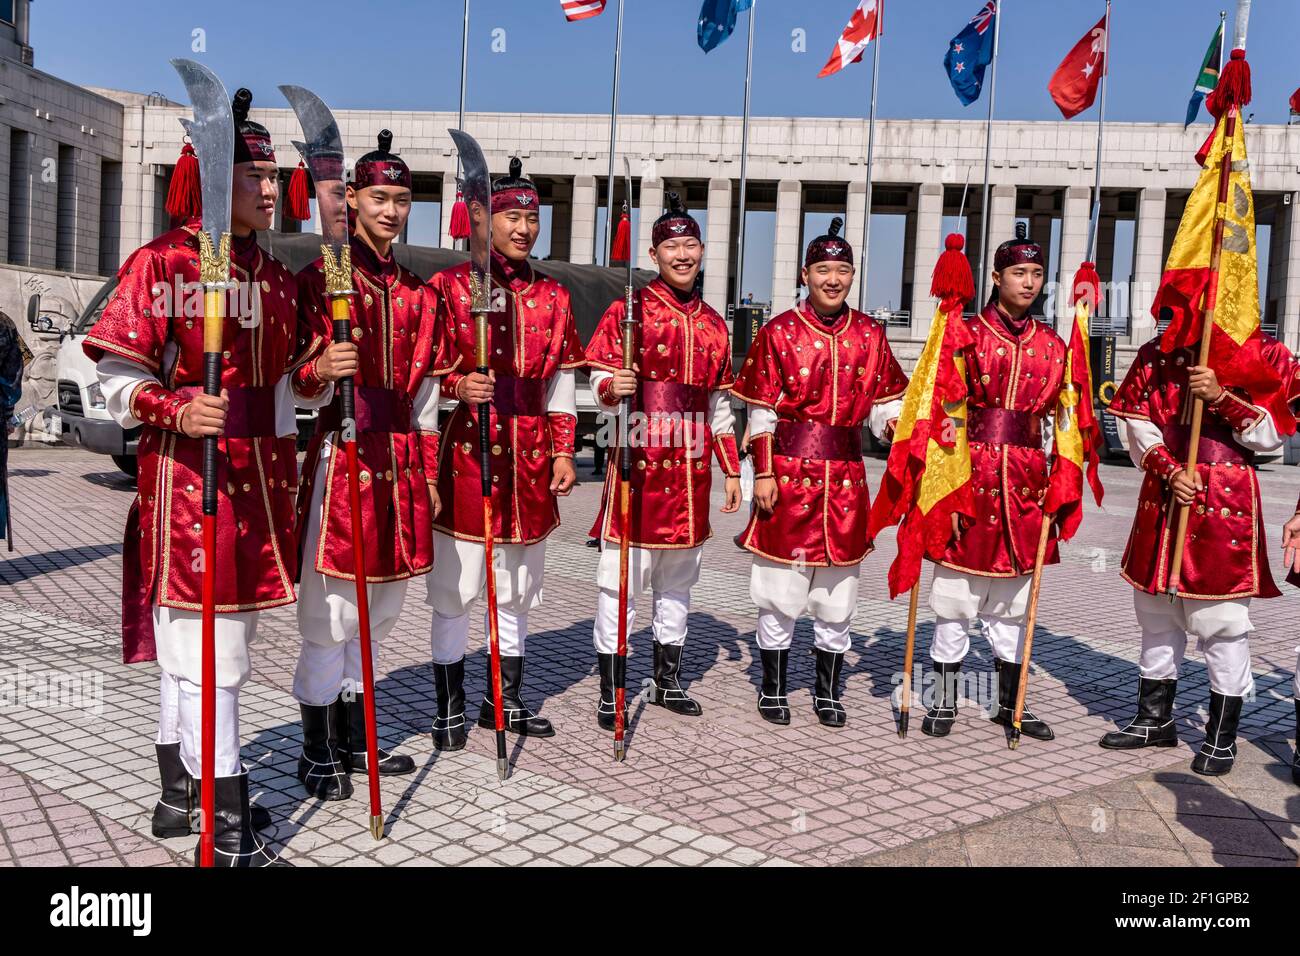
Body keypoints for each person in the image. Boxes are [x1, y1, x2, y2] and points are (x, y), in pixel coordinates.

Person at [82, 89, 298, 866]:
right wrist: (172, 407)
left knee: (209, 649)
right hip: (185, 480)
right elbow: (110, 373)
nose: (271, 190)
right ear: (211, 181)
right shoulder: (163, 262)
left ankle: (180, 795)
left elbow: (279, 392)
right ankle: (228, 818)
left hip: (260, 484)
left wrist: (310, 383)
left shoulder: (272, 275)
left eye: (275, 176)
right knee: (209, 652)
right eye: (255, 175)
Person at [290, 131, 452, 800]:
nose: (391, 210)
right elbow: (290, 379)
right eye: (379, 197)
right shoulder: (323, 278)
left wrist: (432, 474)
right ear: (350, 199)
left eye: (403, 199)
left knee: (382, 607)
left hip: (400, 460)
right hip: (341, 456)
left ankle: (358, 735)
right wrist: (321, 371)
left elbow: (428, 399)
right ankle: (315, 745)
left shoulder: (420, 294)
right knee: (329, 612)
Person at [425, 158, 583, 746]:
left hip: (530, 456)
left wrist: (564, 453)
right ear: (483, 218)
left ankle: (505, 699)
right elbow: (424, 374)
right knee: (457, 586)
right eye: (512, 216)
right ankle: (448, 705)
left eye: (532, 218)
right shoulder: (450, 288)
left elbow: (562, 384)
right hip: (467, 452)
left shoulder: (554, 296)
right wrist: (457, 385)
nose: (523, 228)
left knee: (515, 587)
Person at [1099, 327, 1299, 775]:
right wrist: (1167, 469)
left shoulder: (1265, 352)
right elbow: (1137, 420)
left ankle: (1220, 736)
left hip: (1225, 498)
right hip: (1165, 493)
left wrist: (1222, 397)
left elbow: (1273, 434)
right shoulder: (1157, 351)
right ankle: (1155, 718)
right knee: (1156, 613)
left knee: (1222, 623)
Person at [731, 218, 906, 728]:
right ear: (805, 274)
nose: (833, 279)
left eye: (843, 270)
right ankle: (774, 686)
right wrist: (762, 474)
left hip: (847, 479)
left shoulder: (871, 334)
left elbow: (883, 405)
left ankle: (828, 691)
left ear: (853, 276)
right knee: (780, 589)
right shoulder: (778, 331)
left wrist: (896, 429)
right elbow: (760, 413)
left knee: (838, 594)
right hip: (786, 476)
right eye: (823, 269)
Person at [584, 192, 742, 728]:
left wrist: (731, 471)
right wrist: (613, 385)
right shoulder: (628, 309)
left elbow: (720, 405)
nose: (682, 255)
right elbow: (599, 376)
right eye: (672, 246)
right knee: (621, 580)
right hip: (638, 455)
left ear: (702, 250)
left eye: (690, 245)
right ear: (654, 254)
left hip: (693, 468)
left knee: (678, 583)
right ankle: (612, 685)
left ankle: (667, 678)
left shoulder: (717, 324)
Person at [918, 234, 1066, 743]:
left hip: (1025, 485)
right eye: (1018, 274)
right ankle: (941, 700)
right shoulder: (964, 333)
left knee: (1012, 601)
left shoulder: (1054, 346)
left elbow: (1060, 428)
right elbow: (945, 414)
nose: (1027, 283)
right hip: (970, 475)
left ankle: (1012, 703)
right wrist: (947, 491)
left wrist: (1059, 482)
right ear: (997, 278)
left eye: (1036, 275)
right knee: (956, 596)